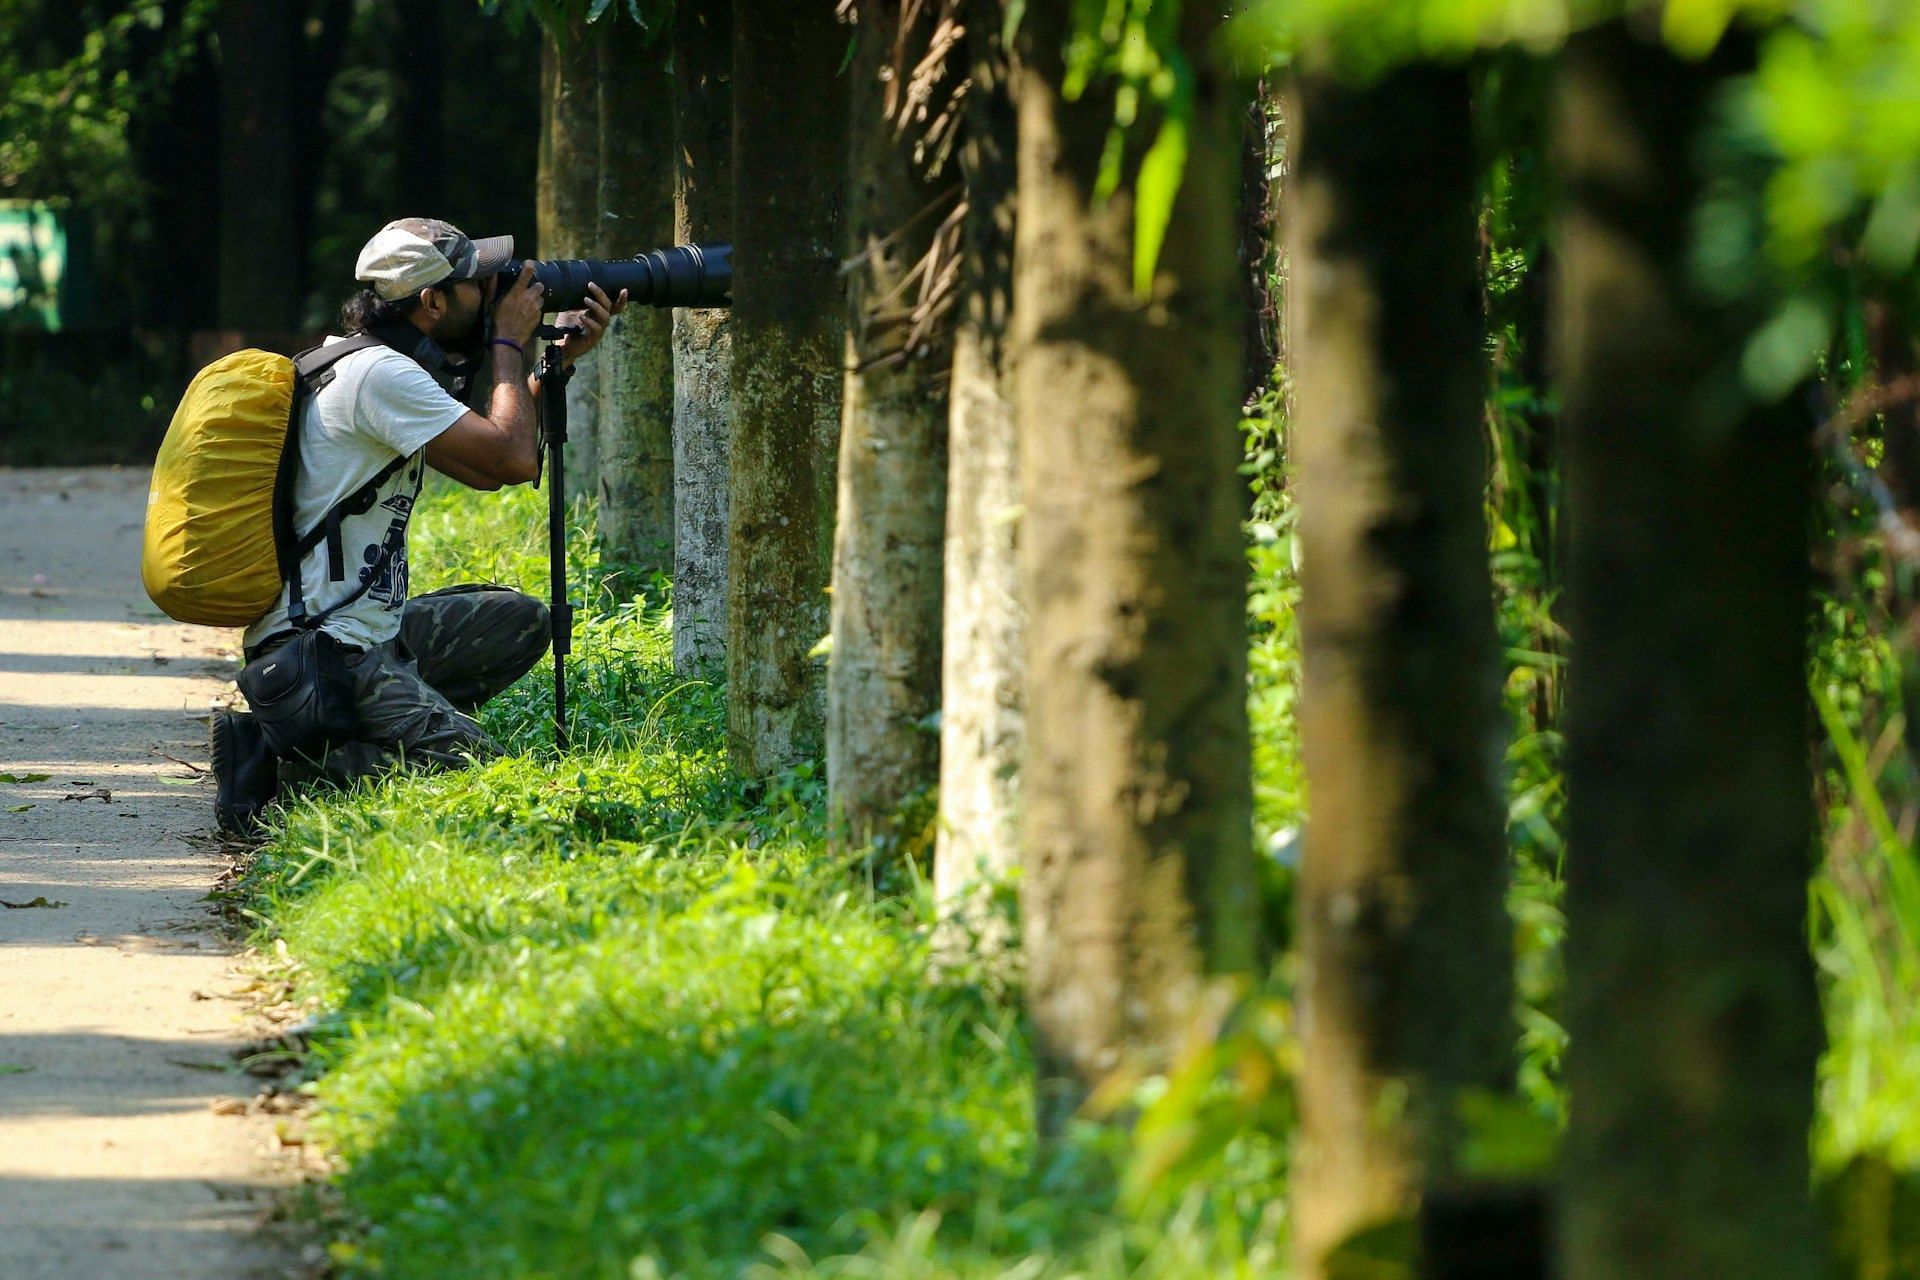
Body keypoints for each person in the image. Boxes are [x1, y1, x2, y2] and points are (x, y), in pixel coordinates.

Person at [210, 217, 627, 833]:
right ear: (432, 301)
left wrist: (547, 368)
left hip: (359, 635)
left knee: (520, 622)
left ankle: (357, 723)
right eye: (476, 285)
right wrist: (509, 344)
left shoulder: (365, 367)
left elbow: (484, 465)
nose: (493, 293)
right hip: (328, 651)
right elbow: (511, 458)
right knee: (481, 775)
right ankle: (282, 765)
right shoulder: (379, 375)